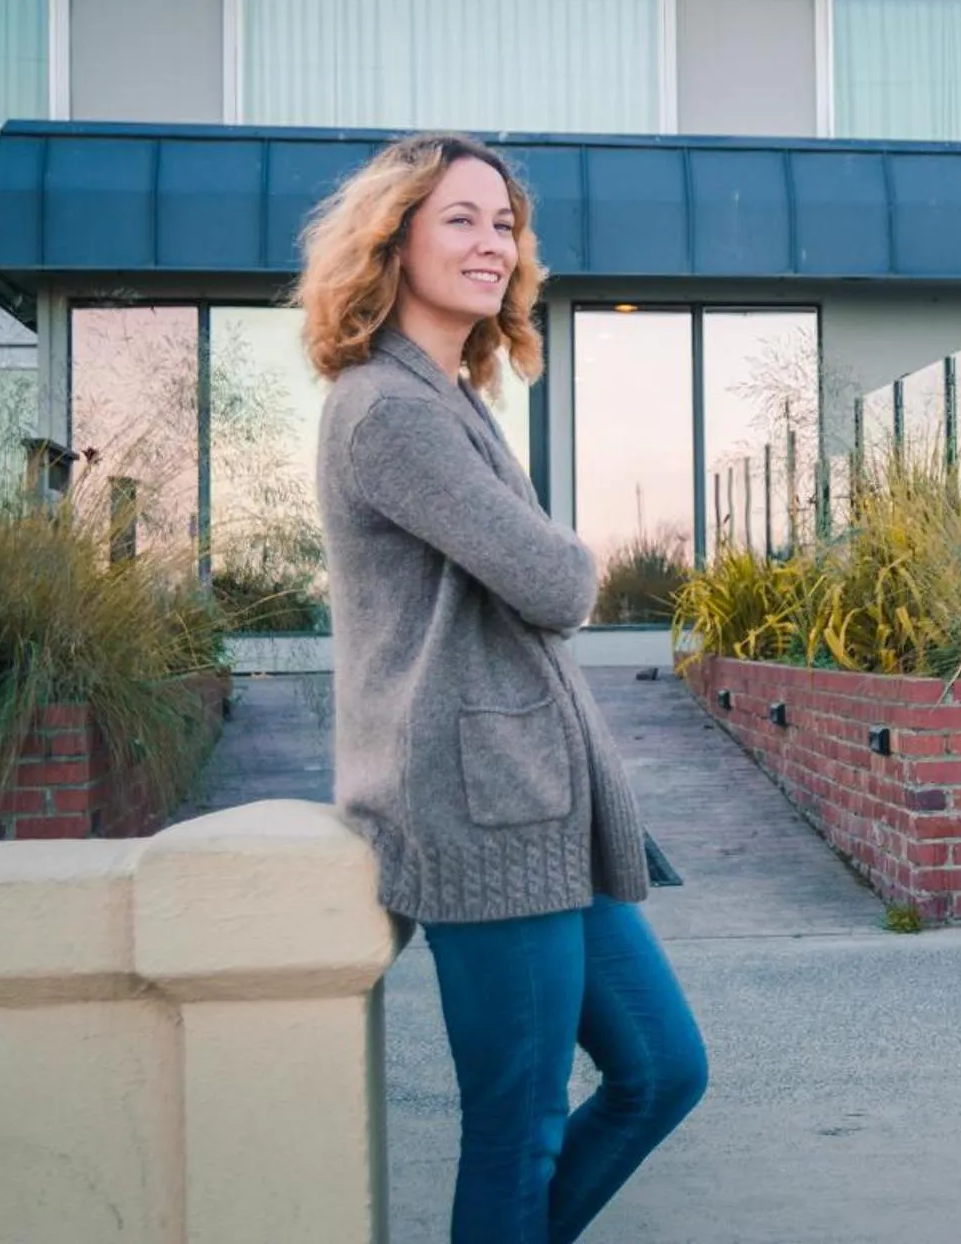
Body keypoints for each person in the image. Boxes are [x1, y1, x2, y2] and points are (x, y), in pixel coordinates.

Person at [294, 132, 706, 1243]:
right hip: (478, 812)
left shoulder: (451, 396)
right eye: (461, 218)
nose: (493, 241)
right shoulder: (387, 408)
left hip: (543, 808)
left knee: (664, 1069)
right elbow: (557, 580)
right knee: (515, 1131)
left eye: (505, 221)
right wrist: (565, 554)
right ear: (395, 239)